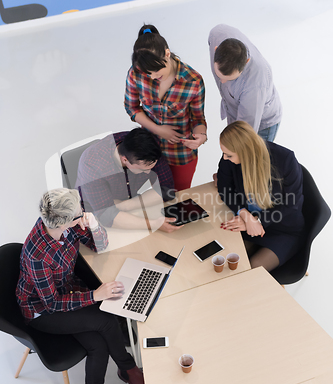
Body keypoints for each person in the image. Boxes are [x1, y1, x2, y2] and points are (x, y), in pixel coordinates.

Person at [16, 188, 145, 384]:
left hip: (66, 291)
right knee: (106, 320)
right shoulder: (38, 255)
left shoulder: (66, 224)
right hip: (42, 311)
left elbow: (100, 246)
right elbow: (52, 303)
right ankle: (125, 370)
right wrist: (95, 295)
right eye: (80, 212)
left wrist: (94, 225)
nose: (83, 212)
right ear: (68, 220)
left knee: (98, 345)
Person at [125, 24, 207, 191]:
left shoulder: (193, 81)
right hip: (147, 151)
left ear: (167, 54)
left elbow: (198, 118)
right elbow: (132, 108)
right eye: (148, 73)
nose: (153, 77)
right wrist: (158, 129)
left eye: (156, 70)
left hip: (180, 154)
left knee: (176, 199)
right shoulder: (136, 73)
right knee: (139, 197)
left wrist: (201, 136)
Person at [217, 121, 304, 273]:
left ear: (244, 151)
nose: (224, 158)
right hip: (249, 223)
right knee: (229, 258)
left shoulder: (285, 159)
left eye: (228, 155)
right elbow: (225, 188)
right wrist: (244, 214)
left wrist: (258, 220)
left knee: (253, 268)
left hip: (282, 228)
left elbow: (292, 204)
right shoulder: (230, 158)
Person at [76, 128, 181, 233]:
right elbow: (106, 216)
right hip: (90, 216)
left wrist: (123, 205)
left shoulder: (149, 148)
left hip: (125, 208)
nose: (149, 173)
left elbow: (167, 190)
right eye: (143, 169)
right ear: (125, 160)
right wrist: (154, 224)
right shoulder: (91, 164)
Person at [208, 24, 282, 142]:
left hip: (262, 124)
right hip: (235, 111)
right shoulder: (218, 34)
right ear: (216, 49)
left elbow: (245, 132)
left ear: (246, 63)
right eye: (219, 75)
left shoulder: (254, 84)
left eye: (229, 78)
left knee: (253, 159)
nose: (222, 82)